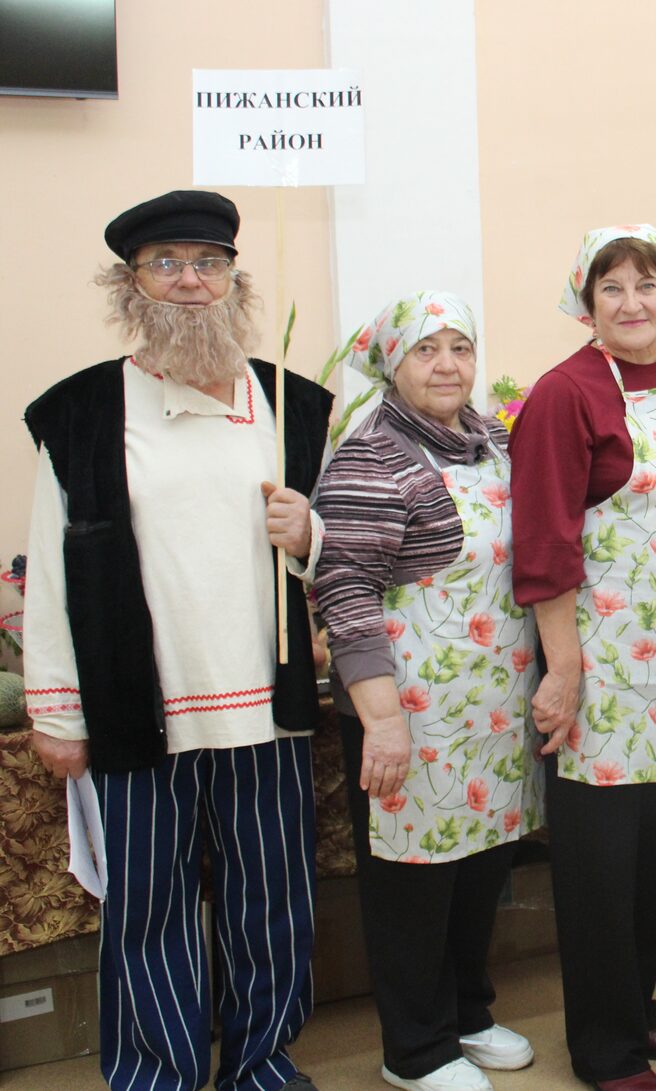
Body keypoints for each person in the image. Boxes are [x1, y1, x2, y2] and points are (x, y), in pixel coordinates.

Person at [23, 190, 331, 1091]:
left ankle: (262, 1062)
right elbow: (54, 570)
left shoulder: (289, 402)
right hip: (140, 706)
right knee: (148, 907)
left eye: (209, 262)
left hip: (266, 706)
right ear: (130, 284)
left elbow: (338, 554)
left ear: (235, 279)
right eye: (166, 263)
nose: (190, 281)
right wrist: (57, 708)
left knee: (271, 901)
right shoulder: (82, 412)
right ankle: (157, 1072)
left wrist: (310, 535)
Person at [509, 224, 656, 1091]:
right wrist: (563, 671)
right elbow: (545, 543)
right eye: (612, 288)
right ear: (587, 302)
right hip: (600, 666)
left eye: (647, 285)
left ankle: (634, 1008)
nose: (632, 303)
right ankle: (603, 1048)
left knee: (647, 858)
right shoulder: (564, 393)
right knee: (598, 871)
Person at [311, 291, 539, 1091]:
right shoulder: (369, 457)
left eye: (460, 347)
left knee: (478, 865)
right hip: (407, 708)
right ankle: (414, 1048)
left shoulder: (492, 440)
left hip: (490, 705)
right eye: (426, 349)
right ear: (392, 363)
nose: (448, 365)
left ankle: (467, 1012)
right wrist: (381, 719)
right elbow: (344, 590)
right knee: (413, 878)